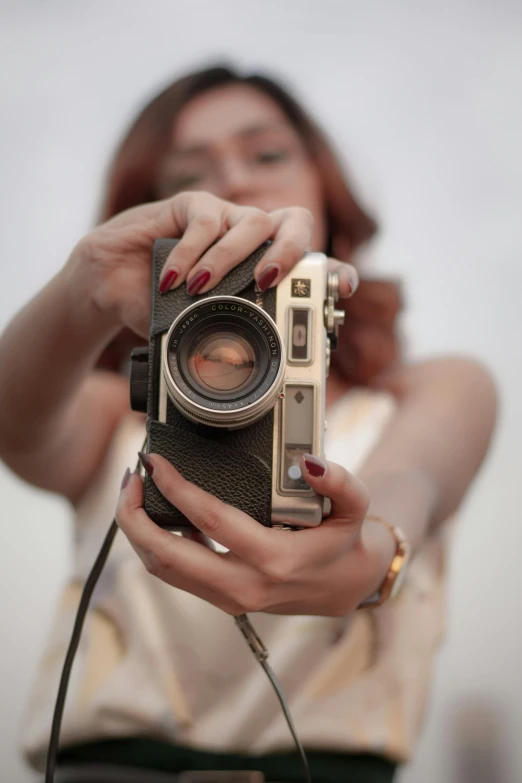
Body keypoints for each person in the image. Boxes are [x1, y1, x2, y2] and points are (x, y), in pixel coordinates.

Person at [0, 65, 496, 783]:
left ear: (324, 186)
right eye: (189, 174)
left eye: (266, 155)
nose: (233, 181)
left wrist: (370, 554)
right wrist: (88, 282)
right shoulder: (121, 404)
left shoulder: (431, 388)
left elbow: (409, 478)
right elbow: (15, 421)